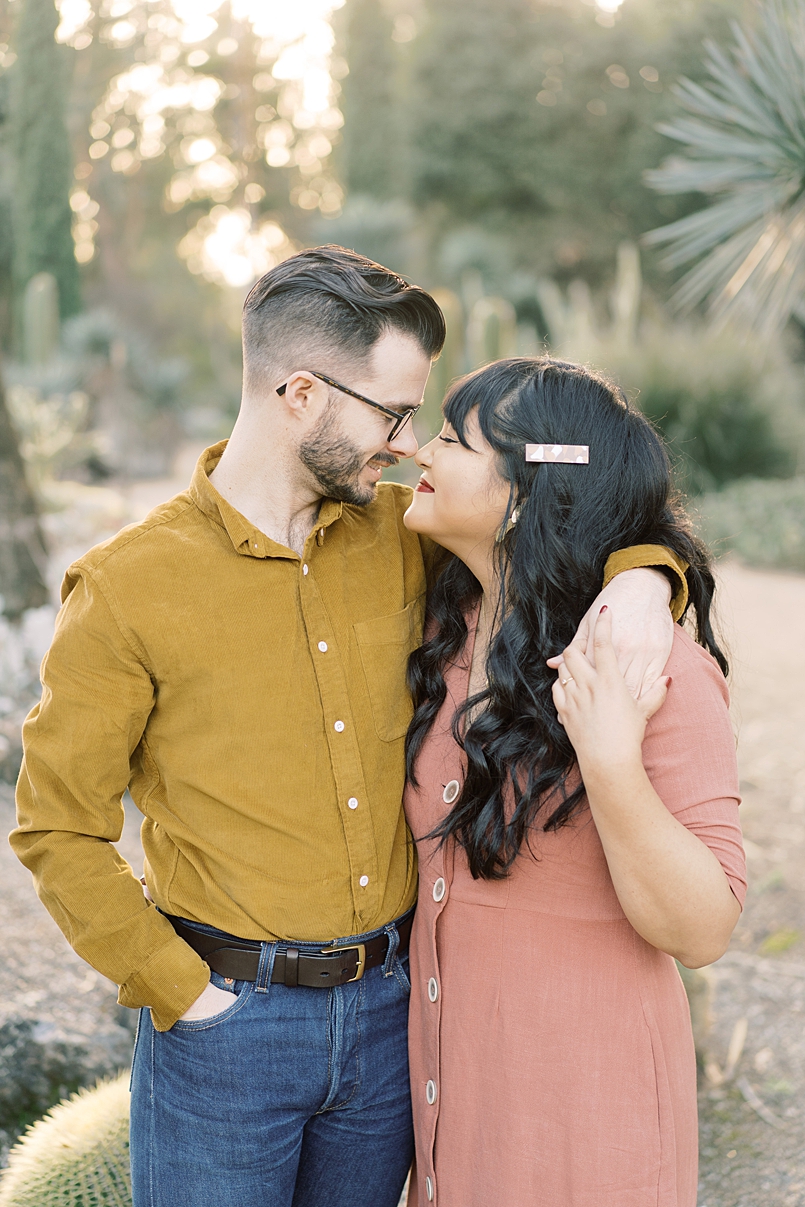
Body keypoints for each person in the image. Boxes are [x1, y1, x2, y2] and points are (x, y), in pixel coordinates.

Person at [12, 250, 685, 1207]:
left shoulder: (400, 538)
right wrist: (183, 993)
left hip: (389, 1019)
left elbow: (559, 534)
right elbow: (56, 826)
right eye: (391, 412)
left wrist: (648, 575)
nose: (410, 444)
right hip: (225, 1033)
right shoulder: (127, 588)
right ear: (297, 392)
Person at [402, 356, 745, 1207]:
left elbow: (703, 929)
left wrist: (610, 761)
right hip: (453, 1125)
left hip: (586, 1129)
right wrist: (648, 567)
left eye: (450, 439)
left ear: (527, 488)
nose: (418, 451)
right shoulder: (443, 632)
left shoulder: (650, 668)